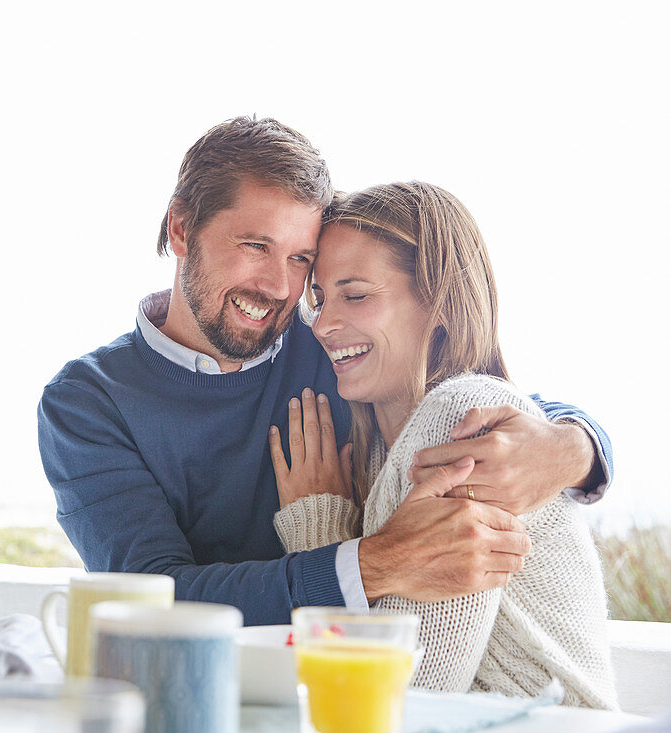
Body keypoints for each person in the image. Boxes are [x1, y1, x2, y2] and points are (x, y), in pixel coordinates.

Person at [37, 117, 612, 626]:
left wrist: (574, 447)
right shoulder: (87, 403)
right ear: (183, 230)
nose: (280, 288)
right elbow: (155, 598)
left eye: (300, 259)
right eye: (256, 245)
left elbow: (471, 392)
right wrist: (378, 563)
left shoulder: (336, 354)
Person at [270, 182, 615, 708]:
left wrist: (317, 531)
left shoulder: (462, 418)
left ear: (443, 305)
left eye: (356, 295)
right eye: (319, 300)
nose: (323, 323)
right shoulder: (380, 456)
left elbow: (396, 697)